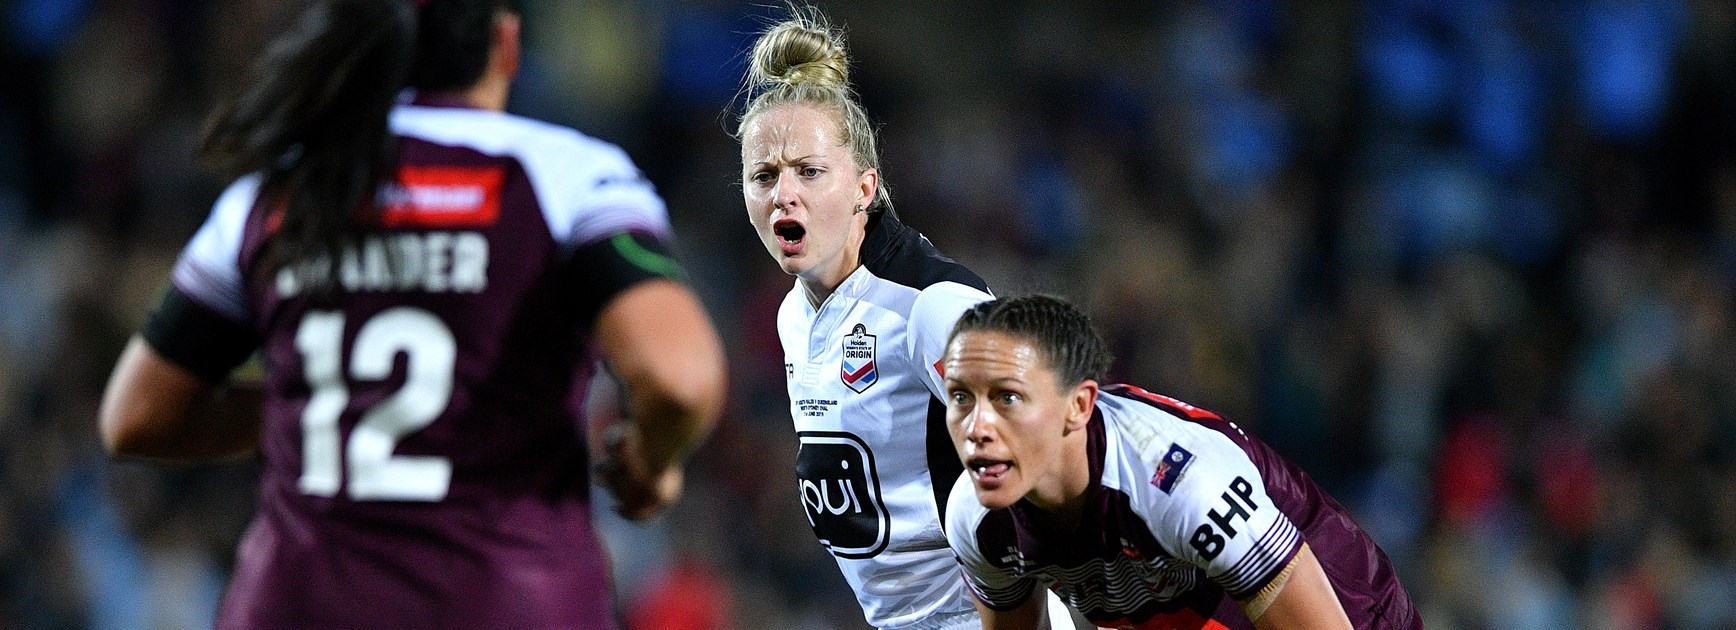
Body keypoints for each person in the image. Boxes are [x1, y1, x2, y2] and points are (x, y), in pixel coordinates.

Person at [96, 1, 726, 628]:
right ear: (506, 43)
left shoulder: (270, 195)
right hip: (504, 603)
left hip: (299, 605)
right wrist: (651, 459)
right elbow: (680, 381)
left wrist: (329, 407)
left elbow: (137, 416)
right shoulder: (569, 178)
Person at [733, 9, 1092, 630]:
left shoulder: (930, 304)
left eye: (810, 171)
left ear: (864, 188)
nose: (783, 193)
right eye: (763, 175)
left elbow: (1055, 437)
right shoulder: (795, 314)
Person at [941, 295, 1423, 629]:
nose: (977, 426)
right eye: (961, 396)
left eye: (1007, 397)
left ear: (1079, 406)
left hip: (1336, 600)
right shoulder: (975, 518)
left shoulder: (1178, 481)